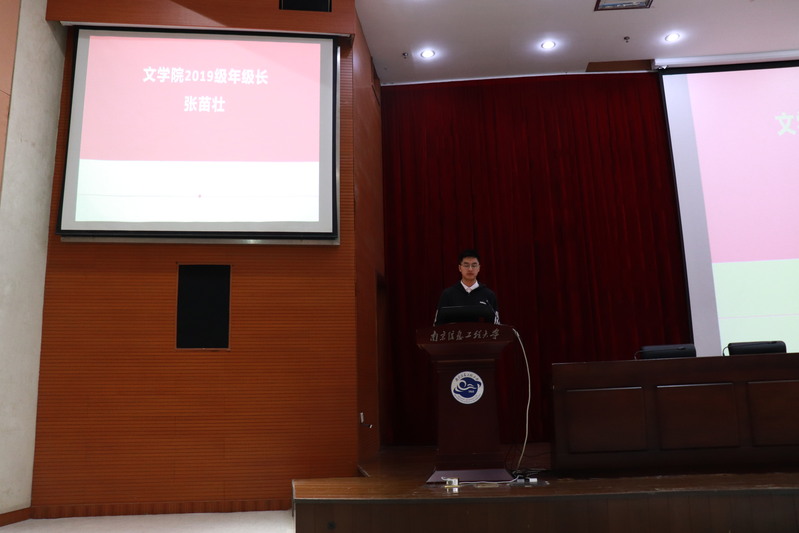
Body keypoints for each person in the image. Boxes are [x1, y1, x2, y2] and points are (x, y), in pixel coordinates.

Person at [435, 249, 499, 325]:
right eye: (466, 265)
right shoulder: (448, 294)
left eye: (474, 265)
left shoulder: (489, 295)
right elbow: (438, 325)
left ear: (479, 268)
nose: (470, 269)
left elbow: (496, 326)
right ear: (460, 268)